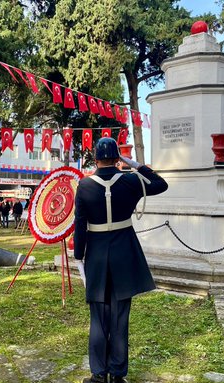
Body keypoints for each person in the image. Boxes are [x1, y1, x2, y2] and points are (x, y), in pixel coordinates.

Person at [73, 137, 168, 383]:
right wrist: (135, 164)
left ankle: (98, 374)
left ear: (95, 158)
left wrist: (78, 257)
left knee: (98, 316)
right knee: (120, 316)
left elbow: (80, 226)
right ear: (117, 158)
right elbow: (161, 184)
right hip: (124, 252)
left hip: (95, 254)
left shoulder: (84, 186)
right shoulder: (131, 180)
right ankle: (117, 374)